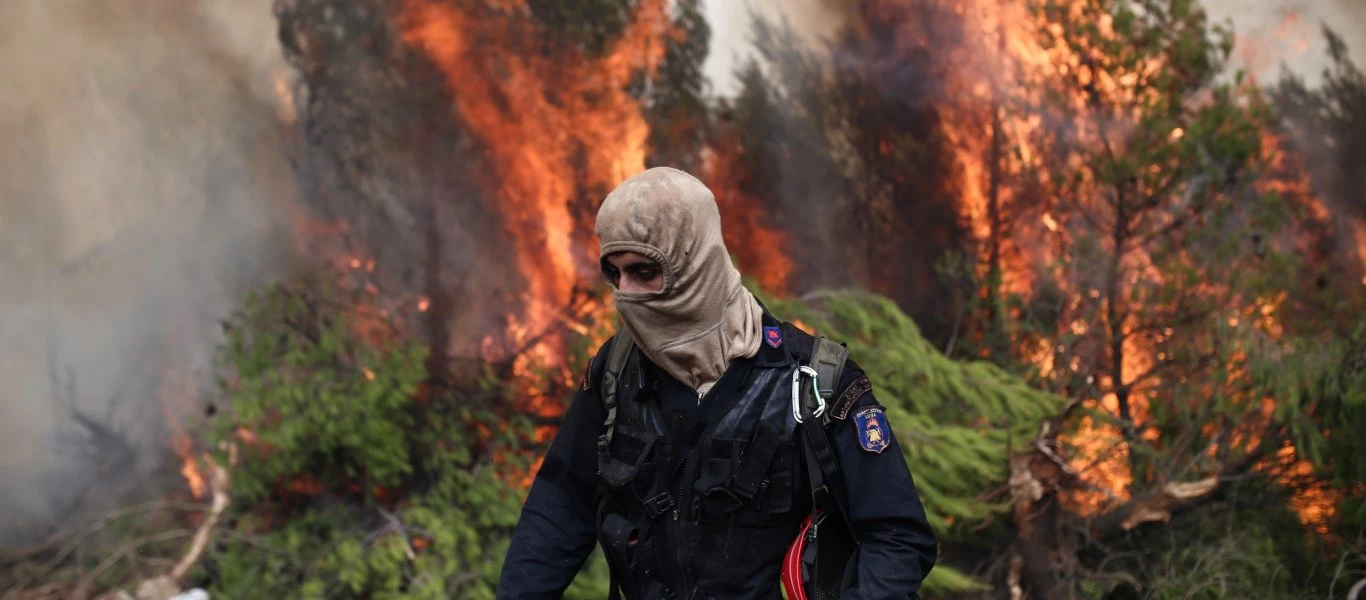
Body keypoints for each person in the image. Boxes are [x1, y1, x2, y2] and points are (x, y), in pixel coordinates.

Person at [495, 167, 937, 599]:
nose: (626, 293)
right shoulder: (617, 370)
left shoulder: (815, 382)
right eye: (615, 273)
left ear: (694, 262)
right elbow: (561, 504)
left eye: (644, 272)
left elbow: (897, 538)